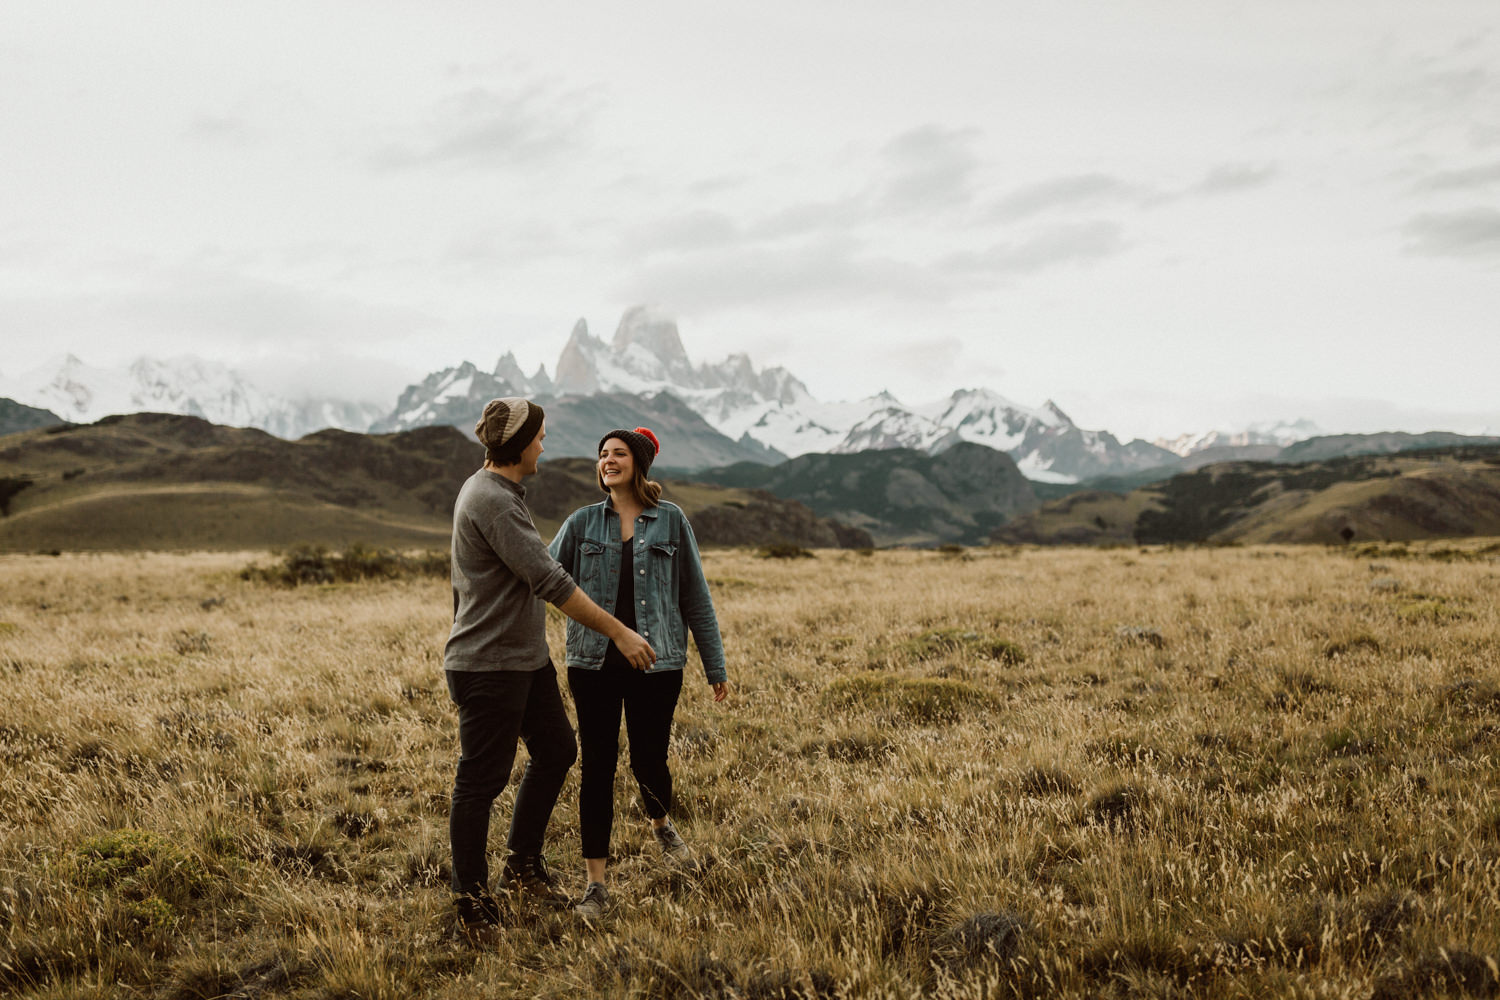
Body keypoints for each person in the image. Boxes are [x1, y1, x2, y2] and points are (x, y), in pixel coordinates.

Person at [444, 398, 656, 942]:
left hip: (523, 659)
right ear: (518, 444)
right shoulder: (491, 499)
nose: (545, 444)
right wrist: (619, 631)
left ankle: (522, 865)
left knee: (558, 748)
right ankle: (470, 904)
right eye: (539, 436)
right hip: (491, 665)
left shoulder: (499, 491)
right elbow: (551, 580)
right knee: (479, 782)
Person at [548, 426, 729, 921]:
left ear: (639, 463)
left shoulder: (671, 521)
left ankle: (661, 822)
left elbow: (695, 596)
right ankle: (596, 886)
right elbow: (541, 576)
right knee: (597, 769)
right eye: (602, 453)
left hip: (659, 664)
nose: (608, 460)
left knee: (650, 762)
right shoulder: (582, 522)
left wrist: (715, 665)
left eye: (619, 453)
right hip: (592, 664)